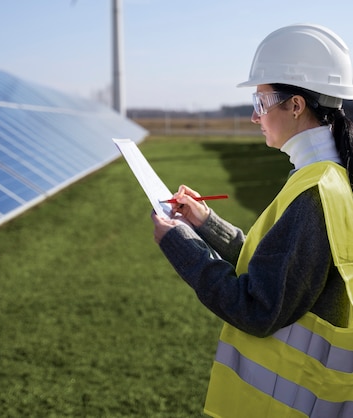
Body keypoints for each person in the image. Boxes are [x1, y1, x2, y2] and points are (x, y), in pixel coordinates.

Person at [151, 24, 353, 417]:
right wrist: (206, 224)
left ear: (295, 106)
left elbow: (257, 307)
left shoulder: (315, 194)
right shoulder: (328, 177)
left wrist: (181, 244)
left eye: (261, 103)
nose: (253, 117)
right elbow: (279, 267)